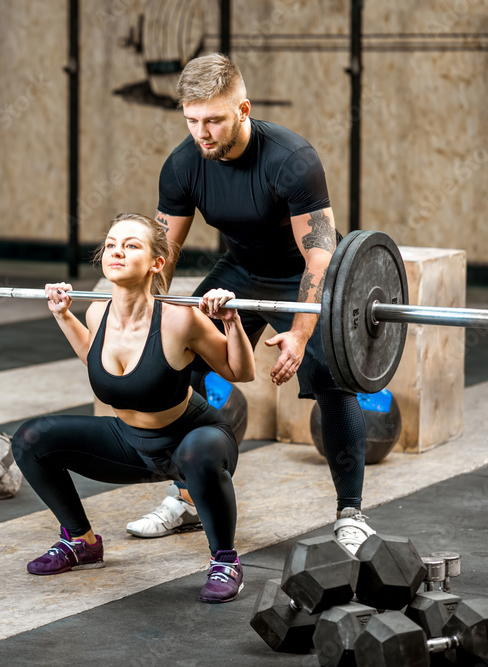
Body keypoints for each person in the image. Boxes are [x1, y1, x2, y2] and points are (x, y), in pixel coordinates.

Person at [126, 53, 375, 554]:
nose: (203, 132)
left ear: (242, 109)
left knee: (330, 380)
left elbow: (320, 260)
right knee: (177, 361)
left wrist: (302, 334)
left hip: (301, 275)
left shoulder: (291, 159)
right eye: (192, 120)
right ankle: (188, 499)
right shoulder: (182, 164)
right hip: (239, 271)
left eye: (214, 119)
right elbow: (163, 255)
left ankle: (351, 513)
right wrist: (147, 318)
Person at [11, 213, 255, 603]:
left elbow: (240, 372)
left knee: (199, 451)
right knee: (30, 439)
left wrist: (231, 321)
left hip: (193, 441)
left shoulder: (180, 319)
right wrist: (63, 315)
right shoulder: (96, 313)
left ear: (157, 263)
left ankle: (225, 561)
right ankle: (81, 542)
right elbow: (95, 358)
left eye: (131, 245)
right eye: (110, 244)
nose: (117, 252)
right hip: (130, 444)